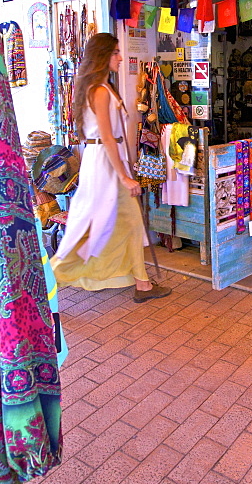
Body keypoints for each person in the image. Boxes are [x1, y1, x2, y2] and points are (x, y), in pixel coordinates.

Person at [52, 33, 172, 302]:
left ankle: (142, 283)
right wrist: (124, 176)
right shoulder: (99, 91)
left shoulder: (103, 88)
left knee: (123, 222)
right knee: (96, 224)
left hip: (108, 161)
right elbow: (107, 138)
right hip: (105, 164)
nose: (120, 57)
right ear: (103, 56)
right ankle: (53, 275)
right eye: (115, 52)